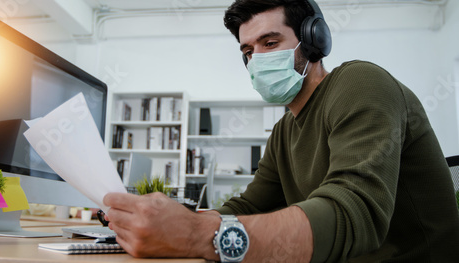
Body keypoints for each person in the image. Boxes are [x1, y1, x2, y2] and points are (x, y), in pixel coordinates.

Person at [104, 0, 459, 262]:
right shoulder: (283, 132)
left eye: (270, 43)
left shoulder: (360, 83)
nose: (256, 59)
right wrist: (164, 222)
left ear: (314, 40)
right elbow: (249, 206)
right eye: (248, 50)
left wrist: (197, 234)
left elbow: (355, 216)